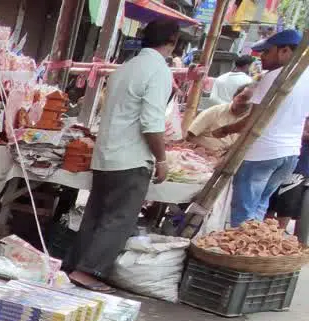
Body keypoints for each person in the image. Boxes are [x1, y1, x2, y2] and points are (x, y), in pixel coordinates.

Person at [63, 20, 179, 292]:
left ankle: (75, 264)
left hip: (106, 154)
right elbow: (151, 123)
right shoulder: (158, 71)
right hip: (130, 158)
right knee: (119, 218)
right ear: (173, 40)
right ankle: (87, 271)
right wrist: (161, 159)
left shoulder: (125, 68)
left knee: (96, 214)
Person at [219, 29, 309, 226]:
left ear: (285, 51)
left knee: (245, 209)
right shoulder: (307, 76)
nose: (262, 57)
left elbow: (253, 120)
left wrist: (225, 130)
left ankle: (241, 252)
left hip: (261, 154)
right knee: (260, 206)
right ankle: (252, 250)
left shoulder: (273, 77)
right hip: (290, 154)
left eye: (267, 51)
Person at [187, 86, 253, 153]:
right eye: (243, 98)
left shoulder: (251, 120)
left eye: (251, 101)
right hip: (201, 154)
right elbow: (189, 136)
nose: (246, 103)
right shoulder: (214, 112)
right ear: (234, 97)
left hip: (228, 156)